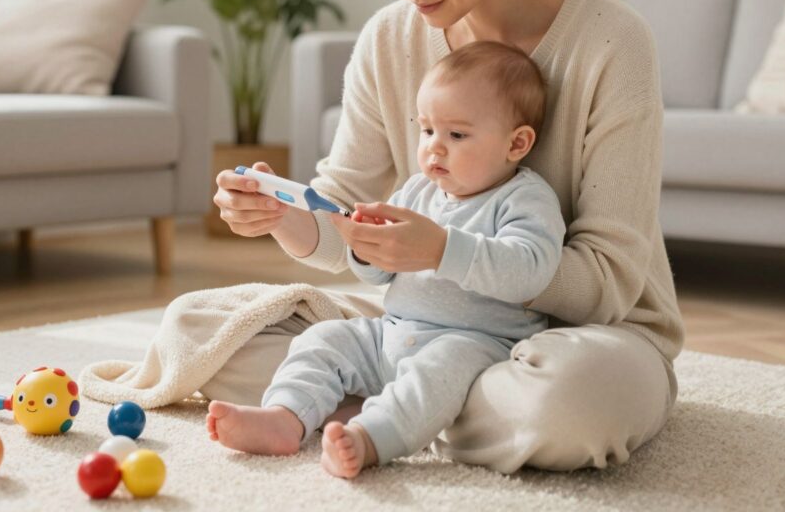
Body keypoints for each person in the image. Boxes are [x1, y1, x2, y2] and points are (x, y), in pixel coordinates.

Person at [209, 0, 684, 474]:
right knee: (202, 330)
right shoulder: (389, 37)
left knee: (572, 406)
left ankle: (379, 408)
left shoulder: (611, 41)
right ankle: (403, 408)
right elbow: (342, 215)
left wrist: (442, 251)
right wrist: (279, 213)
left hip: (578, 339)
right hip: (421, 326)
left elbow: (605, 286)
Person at [206, 41, 567, 478]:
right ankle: (284, 417)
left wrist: (441, 248)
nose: (434, 148)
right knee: (324, 340)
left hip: (475, 344)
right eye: (427, 130)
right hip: (391, 333)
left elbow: (529, 271)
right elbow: (380, 274)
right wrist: (365, 248)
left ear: (517, 143)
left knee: (437, 374)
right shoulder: (416, 191)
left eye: (456, 135)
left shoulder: (524, 198)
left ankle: (370, 439)